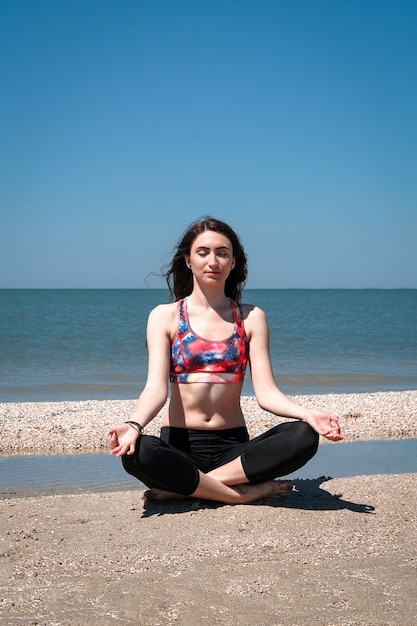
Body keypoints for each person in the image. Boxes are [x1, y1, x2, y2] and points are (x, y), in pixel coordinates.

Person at [110, 217, 343, 504]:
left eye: (222, 252)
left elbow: (267, 393)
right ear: (188, 260)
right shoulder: (164, 316)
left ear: (233, 262)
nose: (213, 261)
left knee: (304, 436)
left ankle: (187, 487)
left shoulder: (251, 317)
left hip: (233, 449)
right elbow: (155, 389)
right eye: (203, 252)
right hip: (180, 446)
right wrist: (133, 426)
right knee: (137, 452)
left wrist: (307, 414)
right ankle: (241, 494)